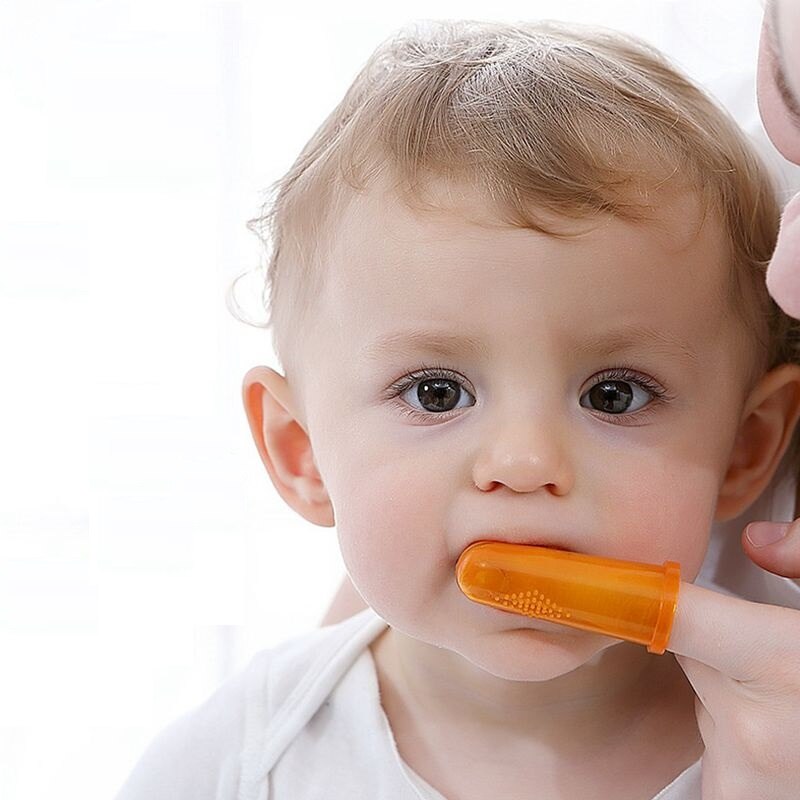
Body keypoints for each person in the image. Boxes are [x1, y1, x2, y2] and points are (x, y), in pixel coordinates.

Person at [115, 12, 800, 800]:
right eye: (436, 393)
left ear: (746, 449)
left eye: (614, 394)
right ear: (301, 453)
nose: (525, 461)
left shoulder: (772, 745)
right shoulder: (235, 764)